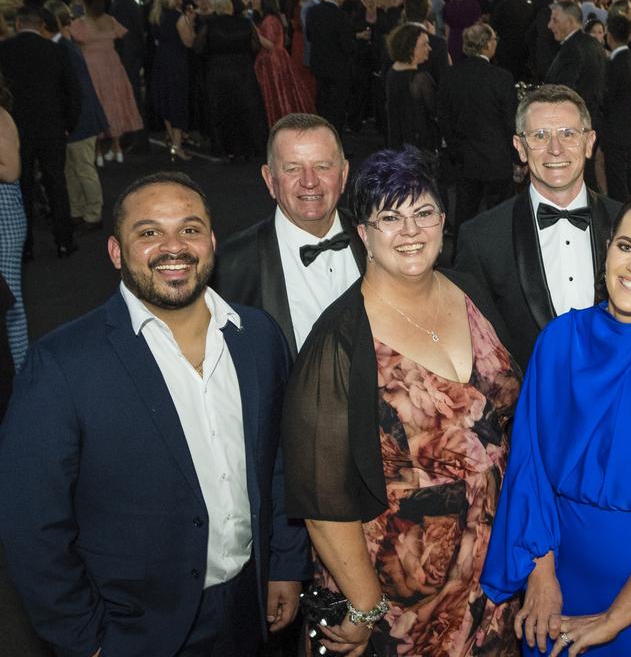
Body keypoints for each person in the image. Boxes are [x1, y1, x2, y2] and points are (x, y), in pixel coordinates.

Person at [0, 172, 311, 656]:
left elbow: (281, 463)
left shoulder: (259, 337)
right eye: (149, 233)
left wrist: (287, 565)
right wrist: (87, 640)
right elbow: (33, 526)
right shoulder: (61, 365)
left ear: (211, 241)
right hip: (136, 632)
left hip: (252, 607)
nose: (173, 247)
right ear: (115, 252)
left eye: (189, 229)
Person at [283, 147, 518, 656]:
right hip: (400, 605)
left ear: (443, 220)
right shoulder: (339, 343)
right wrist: (366, 609)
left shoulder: (469, 290)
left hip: (491, 582)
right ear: (363, 235)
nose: (410, 230)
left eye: (423, 212)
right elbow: (323, 506)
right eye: (390, 217)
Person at [482, 190, 631, 656]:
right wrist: (541, 572)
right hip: (555, 581)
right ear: (608, 249)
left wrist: (613, 620)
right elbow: (529, 467)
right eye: (626, 246)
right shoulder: (558, 339)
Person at [453, 85, 622, 368]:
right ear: (520, 147)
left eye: (568, 134)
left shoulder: (627, 224)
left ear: (589, 143)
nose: (555, 149)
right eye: (540, 136)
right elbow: (475, 347)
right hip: (526, 407)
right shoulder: (481, 239)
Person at [215, 113, 364, 354]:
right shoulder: (230, 266)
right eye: (293, 168)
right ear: (269, 180)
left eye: (322, 166)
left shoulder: (379, 239)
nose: (309, 181)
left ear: (344, 175)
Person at [0, 6, 81, 260]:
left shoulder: (4, 50)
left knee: (20, 187)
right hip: (52, 128)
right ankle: (64, 242)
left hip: (17, 130)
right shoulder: (56, 50)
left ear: (18, 23)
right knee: (56, 183)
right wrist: (68, 124)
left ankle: (24, 246)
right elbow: (74, 93)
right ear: (40, 25)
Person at [438, 23, 518, 226]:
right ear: (488, 45)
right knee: (500, 219)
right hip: (497, 160)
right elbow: (510, 122)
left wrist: (455, 150)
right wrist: (519, 157)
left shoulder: (451, 76)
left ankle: (462, 257)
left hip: (465, 160)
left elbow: (444, 118)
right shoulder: (502, 78)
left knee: (465, 215)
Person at [46, 0, 107, 234]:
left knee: (82, 168)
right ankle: (78, 211)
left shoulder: (65, 48)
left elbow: (76, 91)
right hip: (77, 117)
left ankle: (93, 214)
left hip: (80, 118)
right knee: (72, 169)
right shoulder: (65, 45)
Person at [195, 0, 268, 161]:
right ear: (229, 6)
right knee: (247, 109)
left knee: (220, 110)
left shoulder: (209, 24)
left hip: (217, 72)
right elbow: (256, 45)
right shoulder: (245, 23)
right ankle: (250, 147)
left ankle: (223, 148)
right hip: (243, 70)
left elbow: (198, 47)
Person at [252, 0, 316, 127]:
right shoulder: (268, 18)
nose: (252, 1)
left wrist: (254, 31)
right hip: (273, 61)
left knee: (276, 95)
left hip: (272, 62)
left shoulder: (269, 20)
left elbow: (270, 44)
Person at [545, 0, 607, 136]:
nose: (549, 25)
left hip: (573, 129)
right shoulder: (595, 45)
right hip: (593, 125)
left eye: (555, 20)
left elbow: (564, 92)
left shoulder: (572, 49)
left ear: (570, 22)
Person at [0, 76, 28, 371]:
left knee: (11, 304)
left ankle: (22, 376)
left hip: (5, 218)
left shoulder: (0, 116)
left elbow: (10, 170)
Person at [149, 0, 196, 160]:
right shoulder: (179, 17)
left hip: (161, 61)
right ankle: (177, 145)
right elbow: (189, 42)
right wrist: (191, 24)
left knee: (165, 100)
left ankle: (171, 138)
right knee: (177, 101)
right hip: (176, 62)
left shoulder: (156, 16)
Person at [601, 14, 631, 201]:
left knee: (618, 183)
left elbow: (607, 100)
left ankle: (623, 222)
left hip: (615, 132)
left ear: (608, 36)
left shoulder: (613, 66)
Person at [307, 0, 357, 132]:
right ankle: (335, 139)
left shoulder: (312, 12)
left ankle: (321, 134)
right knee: (337, 107)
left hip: (318, 65)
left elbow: (309, 37)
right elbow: (347, 44)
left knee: (322, 103)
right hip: (338, 68)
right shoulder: (340, 15)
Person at [384, 23, 440, 154]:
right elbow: (437, 110)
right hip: (419, 146)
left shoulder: (393, 71)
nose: (429, 48)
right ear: (410, 49)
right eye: (424, 45)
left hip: (397, 143)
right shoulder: (419, 79)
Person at [491, 0, 534, 81]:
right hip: (525, 49)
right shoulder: (528, 7)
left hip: (506, 50)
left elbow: (493, 27)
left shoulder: (500, 7)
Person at [443, 0, 482, 64]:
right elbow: (477, 27)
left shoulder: (448, 6)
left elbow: (447, 30)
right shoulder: (473, 5)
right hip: (469, 40)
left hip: (453, 40)